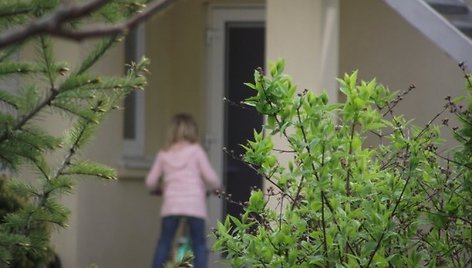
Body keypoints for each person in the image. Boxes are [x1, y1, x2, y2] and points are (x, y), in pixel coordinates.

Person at [146, 113, 222, 268]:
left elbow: (150, 181)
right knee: (199, 245)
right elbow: (211, 177)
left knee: (164, 243)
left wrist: (158, 188)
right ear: (192, 131)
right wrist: (216, 188)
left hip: (171, 206)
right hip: (194, 206)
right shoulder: (196, 151)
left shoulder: (164, 154)